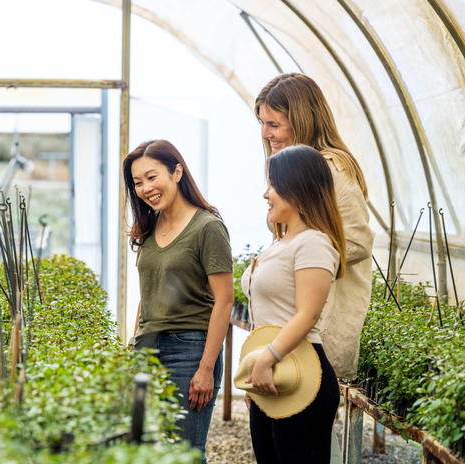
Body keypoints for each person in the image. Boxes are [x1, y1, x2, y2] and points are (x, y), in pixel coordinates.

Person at [256, 72, 375, 461]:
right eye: (261, 123)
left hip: (312, 337)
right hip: (287, 344)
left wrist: (303, 259)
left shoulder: (330, 167)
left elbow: (356, 239)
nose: (266, 133)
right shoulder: (291, 170)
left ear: (303, 117)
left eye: (274, 123)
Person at [123, 140, 233, 461]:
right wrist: (134, 343)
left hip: (189, 352)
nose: (145, 188)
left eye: (152, 177)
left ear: (177, 172)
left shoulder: (207, 228)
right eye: (137, 183)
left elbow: (224, 301)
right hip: (147, 350)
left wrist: (206, 369)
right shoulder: (149, 226)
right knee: (149, 452)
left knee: (185, 454)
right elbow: (148, 294)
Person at [241, 144, 345, 463]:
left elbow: (307, 314)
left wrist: (264, 360)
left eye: (273, 185)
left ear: (297, 189)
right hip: (274, 371)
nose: (265, 194)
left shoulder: (314, 242)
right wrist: (256, 371)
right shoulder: (281, 242)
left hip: (302, 375)